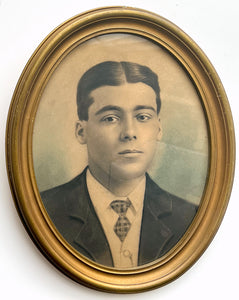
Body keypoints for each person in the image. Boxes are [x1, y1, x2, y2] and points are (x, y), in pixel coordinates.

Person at [41, 61, 197, 269]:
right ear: (81, 131)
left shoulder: (188, 217)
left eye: (142, 117)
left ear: (158, 128)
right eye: (110, 118)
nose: (129, 132)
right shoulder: (46, 211)